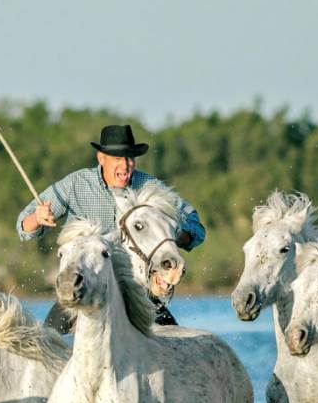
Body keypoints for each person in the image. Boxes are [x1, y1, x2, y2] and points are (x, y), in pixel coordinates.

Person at [16, 124, 205, 331]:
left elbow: (195, 225)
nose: (125, 166)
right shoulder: (75, 184)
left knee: (174, 346)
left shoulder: (150, 187)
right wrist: (37, 217)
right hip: (82, 288)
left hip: (136, 293)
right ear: (101, 158)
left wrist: (172, 236)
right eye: (117, 158)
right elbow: (23, 226)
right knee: (50, 343)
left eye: (129, 158)